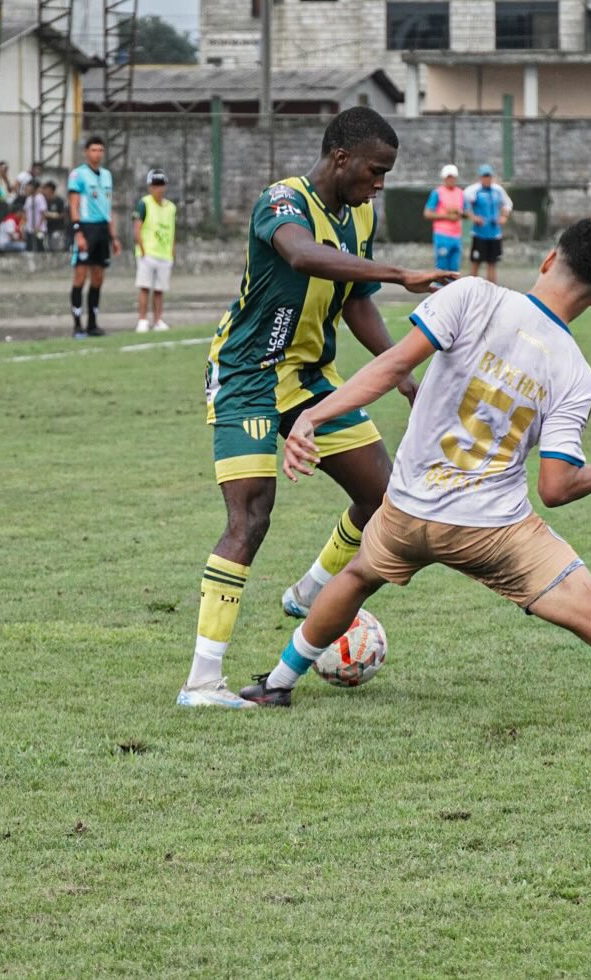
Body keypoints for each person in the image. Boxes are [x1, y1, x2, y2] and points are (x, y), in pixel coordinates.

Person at [239, 219, 591, 738]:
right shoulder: (574, 372)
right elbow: (556, 489)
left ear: (547, 259)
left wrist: (313, 415)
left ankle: (277, 684)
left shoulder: (470, 295)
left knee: (359, 574)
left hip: (409, 510)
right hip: (494, 531)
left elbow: (393, 367)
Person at [176, 106, 455, 709]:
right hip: (247, 374)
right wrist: (402, 272)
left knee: (385, 498)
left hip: (311, 379)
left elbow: (356, 302)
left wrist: (400, 369)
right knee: (251, 517)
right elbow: (303, 257)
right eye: (375, 171)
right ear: (340, 158)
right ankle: (202, 681)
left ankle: (311, 591)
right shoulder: (282, 202)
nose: (379, 183)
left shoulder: (358, 214)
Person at [67, 135, 119, 338]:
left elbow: (108, 207)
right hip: (86, 228)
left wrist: (113, 236)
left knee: (98, 277)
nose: (97, 154)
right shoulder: (78, 175)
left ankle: (92, 323)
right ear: (86, 152)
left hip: (102, 229)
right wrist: (78, 232)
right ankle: (77, 325)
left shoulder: (107, 175)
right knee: (80, 276)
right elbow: (73, 205)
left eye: (100, 150)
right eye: (93, 150)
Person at [133, 167, 177, 332]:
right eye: (155, 185)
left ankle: (158, 320)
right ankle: (142, 320)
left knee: (160, 290)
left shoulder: (171, 207)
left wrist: (172, 249)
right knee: (144, 287)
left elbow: (172, 229)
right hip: (148, 253)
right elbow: (137, 227)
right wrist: (142, 248)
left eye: (161, 185)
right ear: (150, 187)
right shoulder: (144, 203)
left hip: (164, 253)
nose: (158, 188)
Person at [464, 164, 513, 284]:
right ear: (480, 177)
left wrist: (503, 217)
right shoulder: (473, 190)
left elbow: (507, 204)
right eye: (484, 176)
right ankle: (471, 290)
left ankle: (491, 292)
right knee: (476, 262)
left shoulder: (498, 190)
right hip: (479, 233)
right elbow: (464, 205)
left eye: (489, 176)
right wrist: (473, 217)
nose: (487, 179)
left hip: (494, 233)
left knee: (492, 263)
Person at [423, 163, 465, 272]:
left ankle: (454, 289)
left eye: (453, 177)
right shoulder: (437, 193)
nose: (451, 180)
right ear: (444, 178)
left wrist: (459, 213)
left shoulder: (460, 193)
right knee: (441, 267)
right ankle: (440, 288)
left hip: (456, 235)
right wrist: (447, 216)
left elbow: (466, 212)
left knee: (454, 269)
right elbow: (427, 213)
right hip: (442, 234)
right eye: (448, 177)